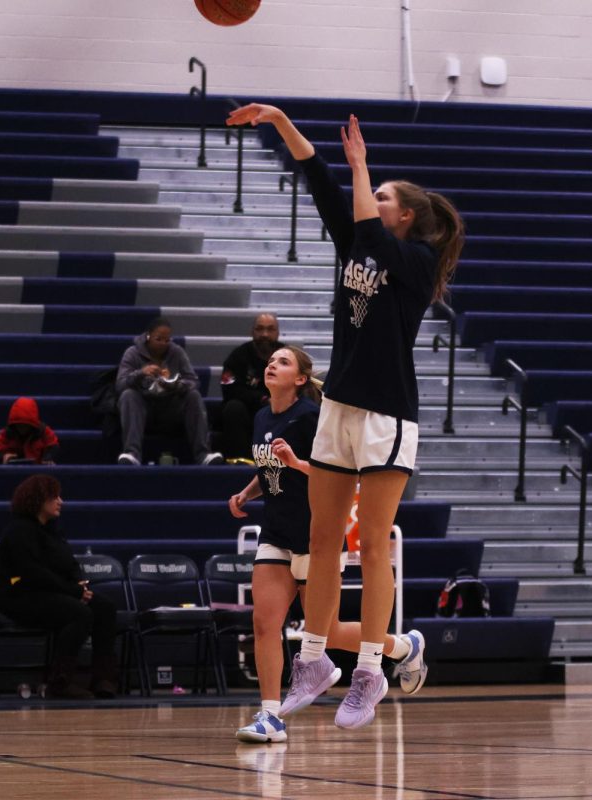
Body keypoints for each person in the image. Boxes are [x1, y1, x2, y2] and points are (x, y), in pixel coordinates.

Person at [228, 103, 464, 729]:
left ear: (405, 216)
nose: (372, 194)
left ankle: (370, 672)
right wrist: (280, 122)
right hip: (337, 407)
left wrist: (361, 165)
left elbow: (364, 215)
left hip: (387, 415)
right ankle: (315, 661)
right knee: (323, 539)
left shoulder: (414, 263)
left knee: (376, 547)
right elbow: (318, 178)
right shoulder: (359, 240)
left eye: (384, 194)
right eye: (374, 191)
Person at [228, 345, 427, 744]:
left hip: (316, 535)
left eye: (283, 362)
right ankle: (270, 716)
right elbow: (270, 468)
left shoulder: (314, 418)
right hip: (276, 532)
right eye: (271, 360)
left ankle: (403, 646)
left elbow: (338, 476)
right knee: (265, 624)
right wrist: (248, 493)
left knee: (328, 631)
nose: (272, 364)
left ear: (301, 379)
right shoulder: (262, 416)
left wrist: (297, 464)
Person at [0, 474, 118, 699]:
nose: (60, 501)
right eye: (54, 497)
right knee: (79, 613)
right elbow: (32, 574)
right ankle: (60, 682)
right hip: (19, 597)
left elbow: (69, 564)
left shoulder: (52, 530)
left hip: (51, 593)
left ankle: (103, 679)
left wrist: (80, 583)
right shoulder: (18, 531)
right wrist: (74, 591)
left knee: (105, 608)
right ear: (38, 500)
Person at [114, 316, 223, 466]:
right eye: (159, 339)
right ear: (148, 336)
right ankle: (132, 452)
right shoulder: (132, 353)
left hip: (170, 409)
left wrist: (175, 384)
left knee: (193, 396)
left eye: (167, 340)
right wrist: (141, 373)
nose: (163, 344)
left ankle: (203, 454)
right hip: (143, 410)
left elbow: (193, 381)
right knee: (128, 395)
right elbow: (120, 384)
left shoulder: (177, 352)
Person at [220, 313, 284, 462]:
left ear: (278, 333)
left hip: (279, 408)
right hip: (248, 410)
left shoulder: (287, 356)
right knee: (233, 408)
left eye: (270, 329)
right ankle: (240, 461)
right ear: (252, 332)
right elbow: (229, 389)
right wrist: (262, 399)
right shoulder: (238, 356)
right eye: (259, 329)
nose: (265, 334)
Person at [0, 396, 60, 464]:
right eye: (19, 424)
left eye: (25, 425)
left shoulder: (43, 431)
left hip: (39, 471)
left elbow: (53, 446)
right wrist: (4, 456)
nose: (22, 428)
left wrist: (48, 458)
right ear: (14, 424)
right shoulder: (6, 433)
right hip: (13, 471)